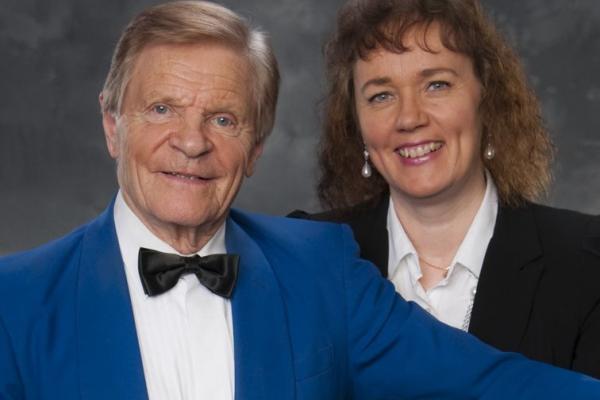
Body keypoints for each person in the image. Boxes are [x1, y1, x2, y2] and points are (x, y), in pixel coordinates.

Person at [1, 1, 600, 399]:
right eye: (162, 109)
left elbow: (485, 382)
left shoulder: (320, 267)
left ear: (256, 147)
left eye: (224, 118)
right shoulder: (14, 302)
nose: (191, 142)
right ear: (112, 126)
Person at [290, 0, 600, 378]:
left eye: (436, 85)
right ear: (356, 123)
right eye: (381, 95)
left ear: (487, 100)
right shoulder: (307, 259)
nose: (409, 118)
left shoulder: (587, 264)